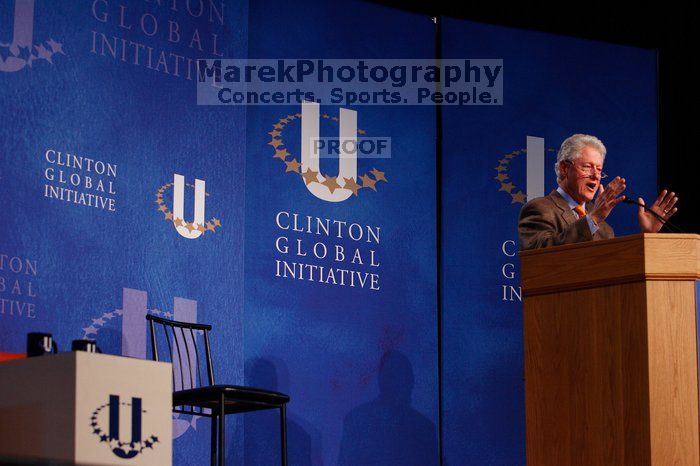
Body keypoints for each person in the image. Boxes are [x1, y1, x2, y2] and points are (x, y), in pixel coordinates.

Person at [518, 134, 678, 250]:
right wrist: (593, 218)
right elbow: (541, 255)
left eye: (599, 169)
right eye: (587, 167)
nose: (596, 176)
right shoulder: (540, 208)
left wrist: (647, 236)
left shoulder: (605, 229)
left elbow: (620, 270)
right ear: (564, 168)